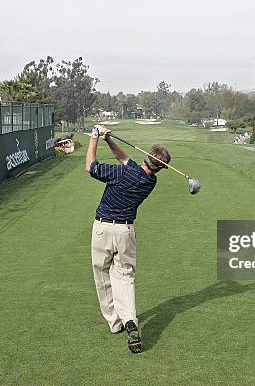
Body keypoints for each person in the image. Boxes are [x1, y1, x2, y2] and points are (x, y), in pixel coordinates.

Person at [86, 124, 170, 354]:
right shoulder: (150, 181)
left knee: (103, 275)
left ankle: (115, 323)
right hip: (125, 233)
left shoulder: (122, 173)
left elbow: (90, 167)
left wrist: (94, 137)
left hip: (102, 229)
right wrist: (109, 139)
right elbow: (123, 157)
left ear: (146, 158)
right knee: (125, 276)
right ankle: (130, 320)